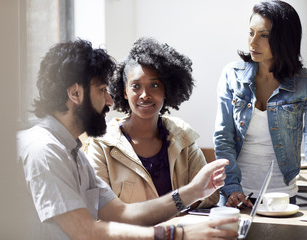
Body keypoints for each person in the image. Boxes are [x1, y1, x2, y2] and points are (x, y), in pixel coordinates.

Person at [17, 39, 238, 239]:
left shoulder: (72, 152)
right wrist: (177, 234)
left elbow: (123, 213)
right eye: (102, 90)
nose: (109, 101)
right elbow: (85, 231)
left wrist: (194, 191)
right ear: (75, 94)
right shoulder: (44, 150)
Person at [84, 37, 218, 209]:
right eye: (135, 86)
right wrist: (188, 195)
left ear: (166, 90)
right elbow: (98, 206)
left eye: (154, 85)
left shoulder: (183, 136)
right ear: (124, 91)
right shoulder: (101, 143)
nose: (144, 95)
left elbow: (211, 195)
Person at [214, 0, 307, 208]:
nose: (253, 43)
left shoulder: (303, 83)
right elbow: (223, 137)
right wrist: (231, 187)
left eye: (264, 35)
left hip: (282, 195)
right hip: (235, 192)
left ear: (284, 39)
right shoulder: (232, 76)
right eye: (250, 32)